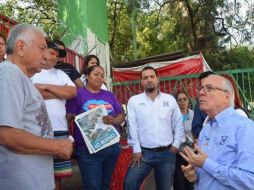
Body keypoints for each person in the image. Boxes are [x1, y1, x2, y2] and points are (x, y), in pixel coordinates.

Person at [0, 23, 73, 190]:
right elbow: (6, 134)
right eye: (41, 48)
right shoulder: (9, 74)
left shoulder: (20, 77)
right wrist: (57, 146)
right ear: (20, 47)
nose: (45, 56)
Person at [181, 74, 254, 190]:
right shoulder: (206, 129)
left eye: (209, 88)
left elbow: (250, 180)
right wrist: (194, 176)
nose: (201, 93)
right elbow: (203, 173)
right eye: (200, 88)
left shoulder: (245, 128)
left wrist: (206, 163)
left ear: (227, 96)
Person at [124, 66, 185, 190]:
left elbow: (178, 123)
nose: (149, 80)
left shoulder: (170, 100)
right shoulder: (134, 101)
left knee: (164, 187)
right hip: (143, 154)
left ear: (158, 79)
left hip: (167, 154)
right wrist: (136, 149)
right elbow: (132, 126)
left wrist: (176, 144)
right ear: (141, 82)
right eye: (145, 78)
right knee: (129, 182)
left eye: (152, 76)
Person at [66, 65, 125, 190]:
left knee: (105, 185)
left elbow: (121, 115)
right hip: (88, 150)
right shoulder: (78, 94)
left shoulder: (109, 95)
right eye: (96, 74)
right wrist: (68, 138)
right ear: (87, 76)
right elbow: (68, 117)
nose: (99, 77)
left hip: (111, 147)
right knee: (93, 186)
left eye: (102, 75)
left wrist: (113, 120)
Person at [32, 39, 77, 190]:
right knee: (37, 173)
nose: (54, 57)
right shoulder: (32, 72)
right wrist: (59, 92)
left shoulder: (60, 74)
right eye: (51, 52)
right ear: (43, 50)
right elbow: (33, 94)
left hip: (60, 130)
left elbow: (72, 92)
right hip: (36, 131)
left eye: (57, 55)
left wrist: (45, 87)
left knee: (57, 176)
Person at [173, 91, 194, 190]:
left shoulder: (194, 115)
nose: (182, 102)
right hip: (178, 152)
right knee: (179, 181)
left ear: (188, 101)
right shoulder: (173, 116)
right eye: (179, 100)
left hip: (192, 152)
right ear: (176, 102)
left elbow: (198, 131)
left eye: (184, 99)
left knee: (190, 181)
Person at [191, 71, 214, 139]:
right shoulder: (198, 106)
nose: (201, 92)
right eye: (200, 88)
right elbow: (195, 130)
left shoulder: (227, 107)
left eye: (207, 87)